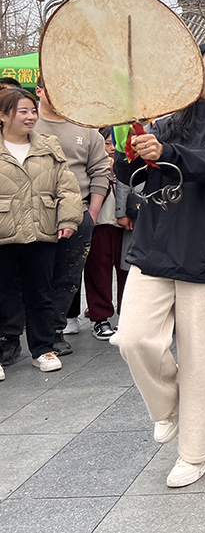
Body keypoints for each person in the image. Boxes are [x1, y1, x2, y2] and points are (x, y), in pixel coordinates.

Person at [112, 43, 205, 488]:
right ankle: (170, 408)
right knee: (133, 338)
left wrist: (166, 154)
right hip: (154, 247)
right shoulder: (165, 125)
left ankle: (197, 453)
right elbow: (128, 174)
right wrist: (130, 151)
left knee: (202, 360)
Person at [0, 88, 82, 376]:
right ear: (3, 115)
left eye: (32, 111)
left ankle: (43, 349)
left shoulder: (48, 144)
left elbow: (67, 185)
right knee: (3, 294)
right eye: (23, 111)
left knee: (41, 293)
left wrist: (69, 219)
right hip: (3, 232)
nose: (31, 116)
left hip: (41, 231)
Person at [31, 80, 111, 351]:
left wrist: (92, 212)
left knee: (67, 276)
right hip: (32, 212)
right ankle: (19, 335)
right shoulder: (27, 124)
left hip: (78, 210)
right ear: (38, 91)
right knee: (32, 275)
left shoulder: (85, 128)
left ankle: (55, 330)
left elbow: (100, 170)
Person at [82, 128, 134, 340]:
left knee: (127, 272)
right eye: (106, 143)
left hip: (127, 225)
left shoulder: (130, 163)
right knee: (98, 271)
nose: (111, 149)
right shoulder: (93, 165)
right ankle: (100, 317)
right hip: (100, 225)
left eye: (115, 144)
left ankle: (128, 314)